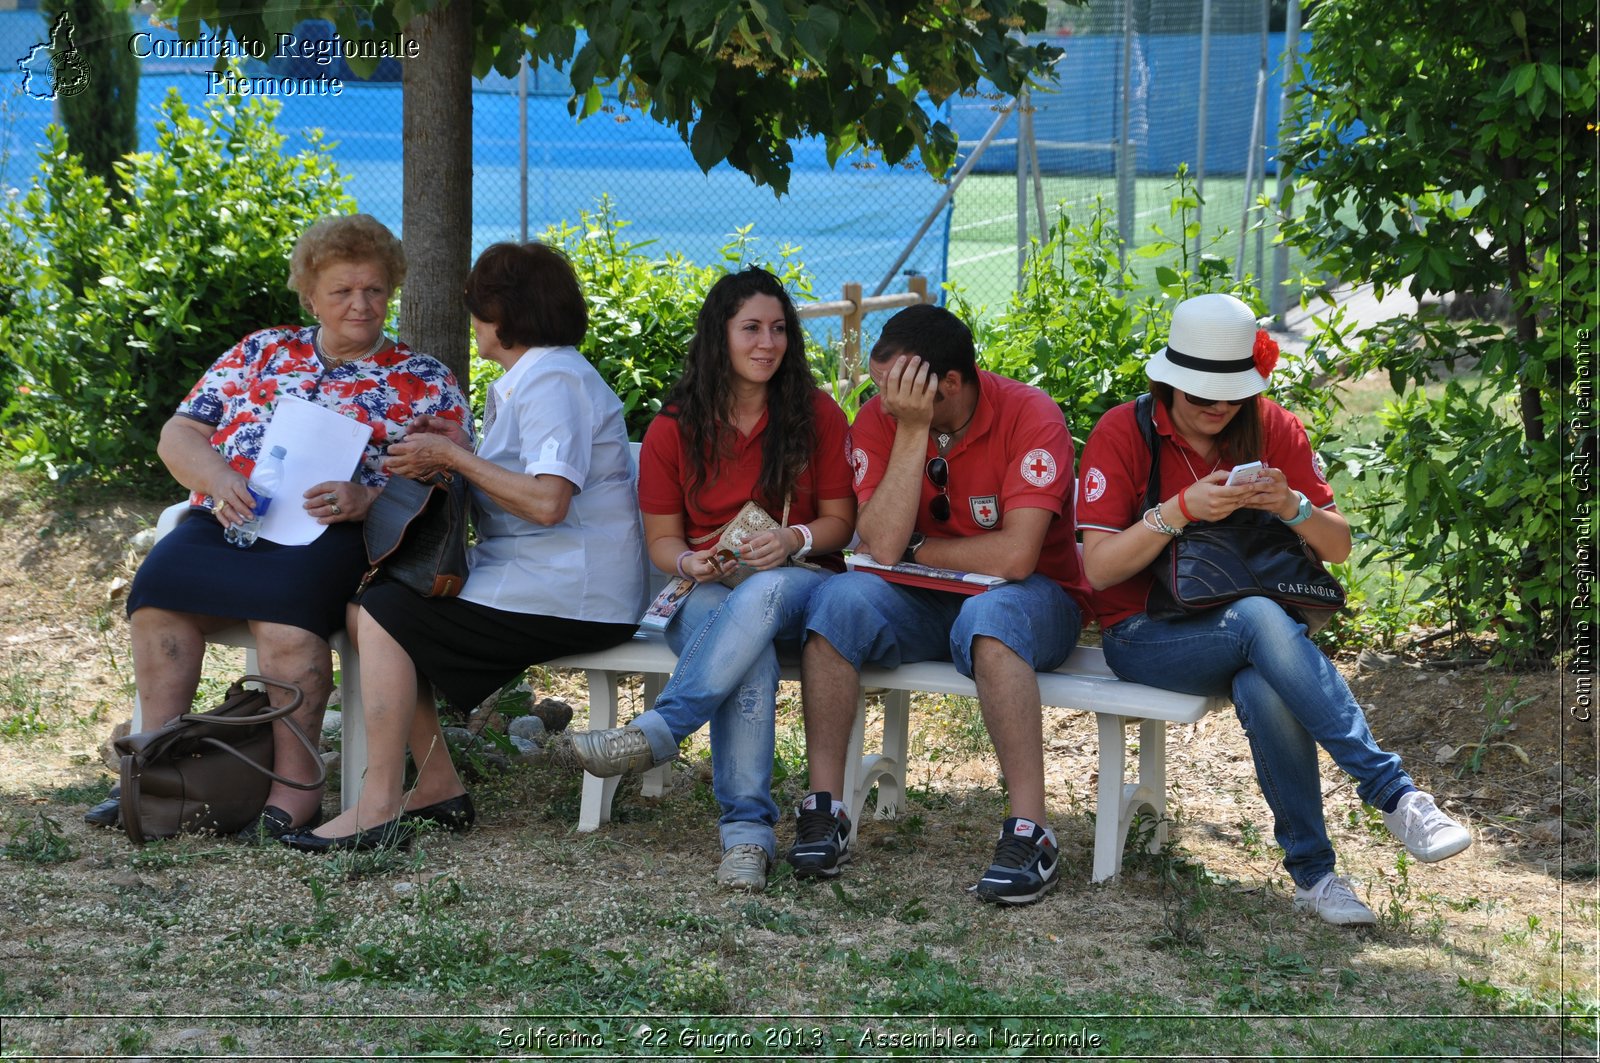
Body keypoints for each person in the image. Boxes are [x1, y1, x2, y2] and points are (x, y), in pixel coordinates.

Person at [1076, 291, 1471, 926]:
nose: (1218, 407)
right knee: (1262, 617)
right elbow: (1098, 569)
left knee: (1263, 682)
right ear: (1166, 382)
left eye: (1231, 392)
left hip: (1252, 638)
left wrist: (1292, 507)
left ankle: (1315, 877)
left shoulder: (1272, 426)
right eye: (1202, 393)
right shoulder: (1124, 431)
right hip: (1144, 636)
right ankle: (1394, 793)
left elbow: (1338, 547)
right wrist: (1180, 511)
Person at [97, 214, 470, 841]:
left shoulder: (424, 380)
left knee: (284, 626)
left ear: (392, 289)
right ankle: (153, 770)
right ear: (310, 296)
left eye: (374, 290)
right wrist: (218, 478)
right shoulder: (261, 351)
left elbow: (447, 481)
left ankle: (295, 790)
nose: (361, 304)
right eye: (342, 292)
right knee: (158, 601)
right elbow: (180, 434)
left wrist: (368, 496)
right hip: (230, 517)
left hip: (334, 533)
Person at [282, 241, 646, 853]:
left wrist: (452, 458)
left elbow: (548, 501)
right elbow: (521, 483)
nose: (473, 323)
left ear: (501, 317)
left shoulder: (554, 379)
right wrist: (459, 449)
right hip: (538, 577)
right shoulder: (529, 377)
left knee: (382, 610)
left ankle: (380, 805)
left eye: (477, 310)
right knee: (373, 608)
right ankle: (435, 786)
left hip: (572, 594)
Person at [563, 267, 856, 891]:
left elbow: (838, 524)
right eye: (750, 327)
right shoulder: (676, 426)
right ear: (719, 334)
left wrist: (790, 539)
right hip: (706, 593)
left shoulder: (816, 414)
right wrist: (690, 563)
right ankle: (748, 839)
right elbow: (664, 540)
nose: (766, 343)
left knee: (765, 588)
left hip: (801, 587)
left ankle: (658, 732)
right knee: (740, 647)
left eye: (779, 329)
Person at [789, 303, 1091, 905]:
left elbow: (1015, 558)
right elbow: (879, 542)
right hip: (921, 598)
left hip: (1034, 601)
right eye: (882, 388)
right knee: (837, 600)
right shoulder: (886, 418)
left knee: (991, 617)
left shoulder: (1032, 415)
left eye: (900, 387)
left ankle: (1031, 831)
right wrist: (910, 430)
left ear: (949, 383)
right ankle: (826, 809)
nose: (884, 399)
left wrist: (921, 548)